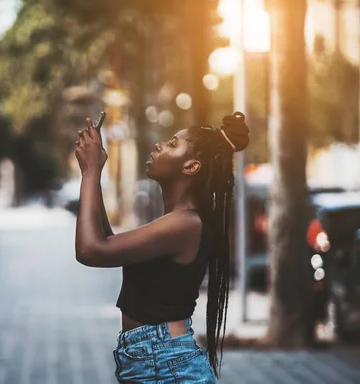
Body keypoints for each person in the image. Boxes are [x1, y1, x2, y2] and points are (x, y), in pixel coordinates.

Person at [74, 112, 250, 383]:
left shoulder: (185, 224)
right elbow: (107, 243)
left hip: (165, 364)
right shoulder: (176, 221)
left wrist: (91, 171)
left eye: (172, 143)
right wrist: (93, 175)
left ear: (191, 167)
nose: (159, 146)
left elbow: (90, 250)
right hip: (157, 361)